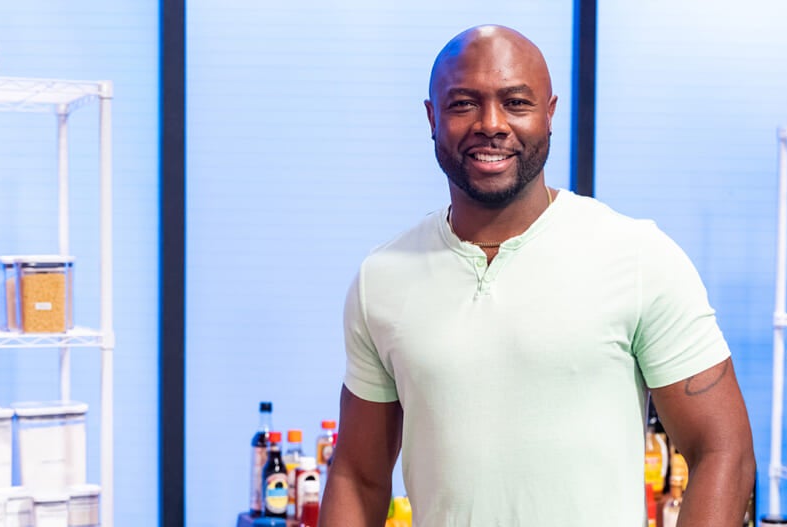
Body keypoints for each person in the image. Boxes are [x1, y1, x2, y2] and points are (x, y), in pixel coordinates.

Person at [320, 24, 755, 526]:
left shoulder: (639, 257)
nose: (491, 124)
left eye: (516, 103)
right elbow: (358, 476)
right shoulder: (382, 278)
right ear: (432, 118)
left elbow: (723, 450)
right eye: (464, 104)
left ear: (549, 114)